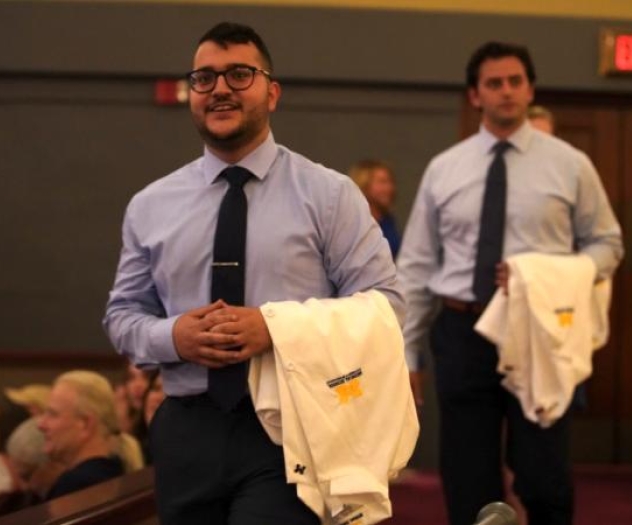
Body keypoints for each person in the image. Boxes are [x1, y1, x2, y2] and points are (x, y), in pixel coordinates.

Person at [103, 22, 410, 525]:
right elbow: (122, 317)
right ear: (192, 95)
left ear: (272, 92)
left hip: (293, 424)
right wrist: (173, 336)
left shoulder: (328, 196)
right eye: (205, 78)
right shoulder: (150, 205)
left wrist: (274, 327)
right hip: (186, 429)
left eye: (239, 74)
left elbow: (387, 305)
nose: (220, 88)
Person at [398, 41, 623, 525]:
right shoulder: (445, 168)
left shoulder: (570, 164)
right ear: (475, 95)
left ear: (530, 88)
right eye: (494, 83)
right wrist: (407, 351)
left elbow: (608, 244)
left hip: (539, 332)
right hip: (463, 330)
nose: (506, 92)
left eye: (515, 82)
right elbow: (416, 264)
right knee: (467, 477)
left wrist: (544, 275)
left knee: (544, 477)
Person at [37, 370, 143, 500]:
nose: (41, 424)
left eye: (53, 414)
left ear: (86, 424)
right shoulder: (115, 472)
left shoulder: (77, 486)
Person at [348, 159, 401, 258]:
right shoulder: (351, 223)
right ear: (363, 184)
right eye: (382, 182)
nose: (390, 188)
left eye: (391, 182)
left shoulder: (388, 221)